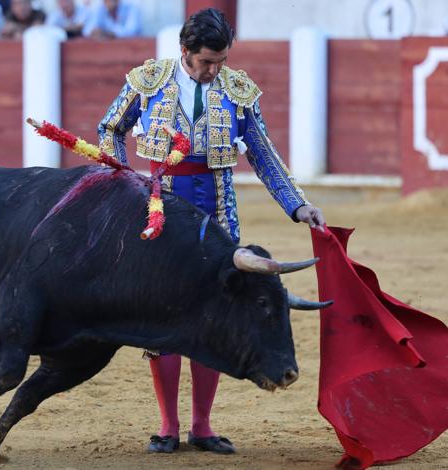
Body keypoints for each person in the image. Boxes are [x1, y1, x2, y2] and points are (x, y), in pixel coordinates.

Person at [97, 8, 325, 455]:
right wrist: (123, 181)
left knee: (215, 317)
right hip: (159, 214)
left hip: (217, 218)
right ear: (185, 51)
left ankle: (201, 426)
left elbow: (263, 154)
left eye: (220, 61)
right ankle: (167, 425)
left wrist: (297, 205)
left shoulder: (237, 91)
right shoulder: (148, 81)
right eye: (206, 62)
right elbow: (110, 129)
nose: (214, 70)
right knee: (163, 316)